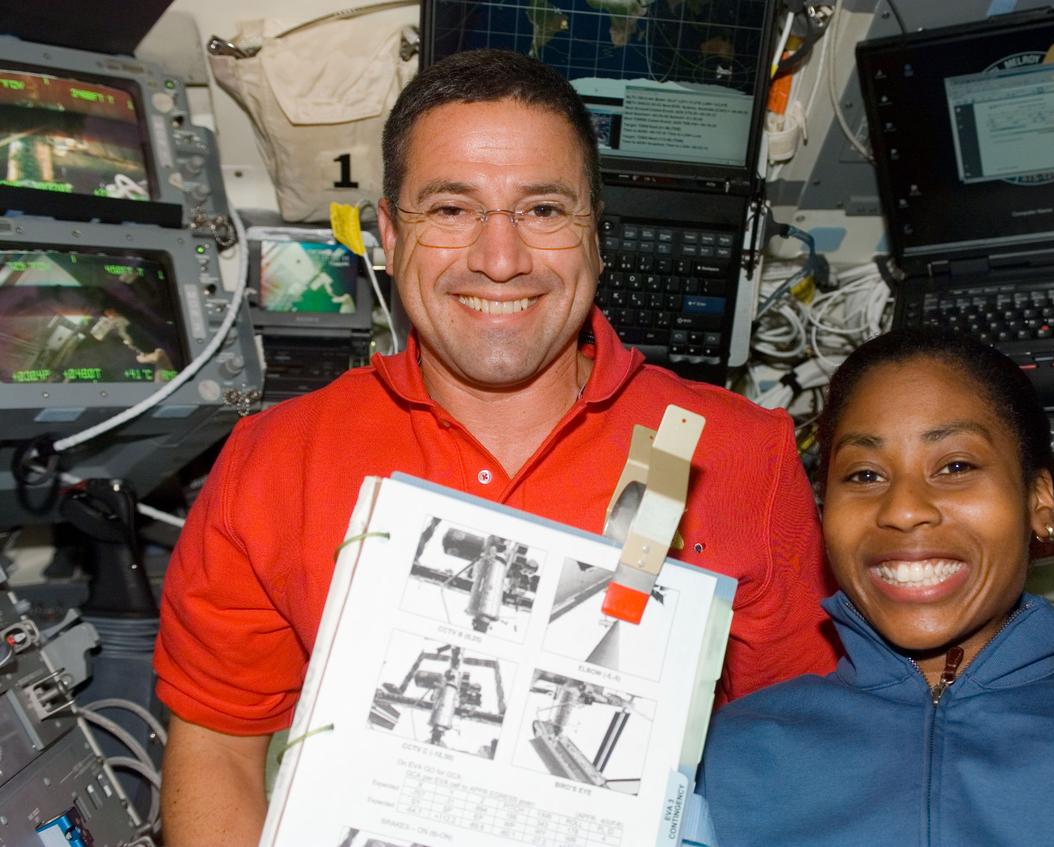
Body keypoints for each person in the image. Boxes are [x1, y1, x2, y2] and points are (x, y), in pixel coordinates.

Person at [153, 49, 839, 846]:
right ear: (386, 231)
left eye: (543, 210)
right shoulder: (273, 461)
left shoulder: (743, 454)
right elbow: (216, 744)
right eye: (451, 210)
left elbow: (796, 749)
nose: (501, 259)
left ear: (595, 232)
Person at [698, 329, 1054, 846]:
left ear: (1039, 501)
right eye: (865, 475)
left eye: (955, 466)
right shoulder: (717, 759)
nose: (902, 510)